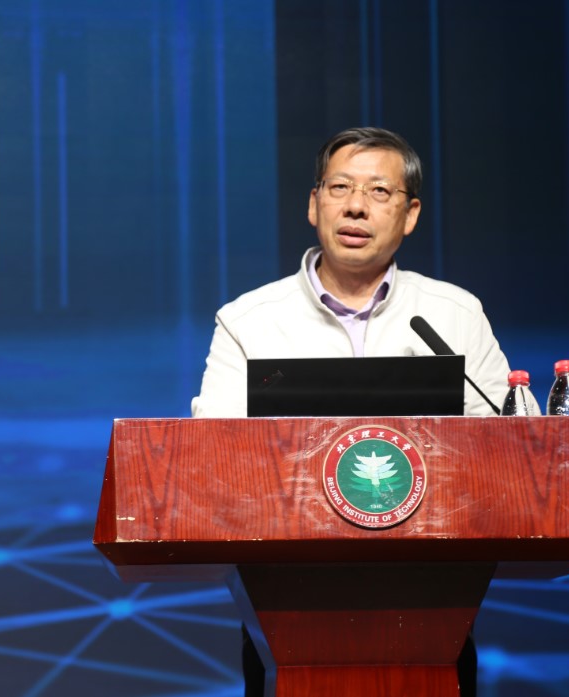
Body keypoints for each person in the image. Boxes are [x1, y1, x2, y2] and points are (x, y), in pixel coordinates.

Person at [192, 126, 510, 696]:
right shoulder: (248, 321)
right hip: (286, 607)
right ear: (314, 204)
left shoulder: (454, 315)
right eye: (340, 187)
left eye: (379, 192)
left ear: (410, 214)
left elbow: (502, 452)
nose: (356, 206)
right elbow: (214, 461)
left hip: (431, 603)